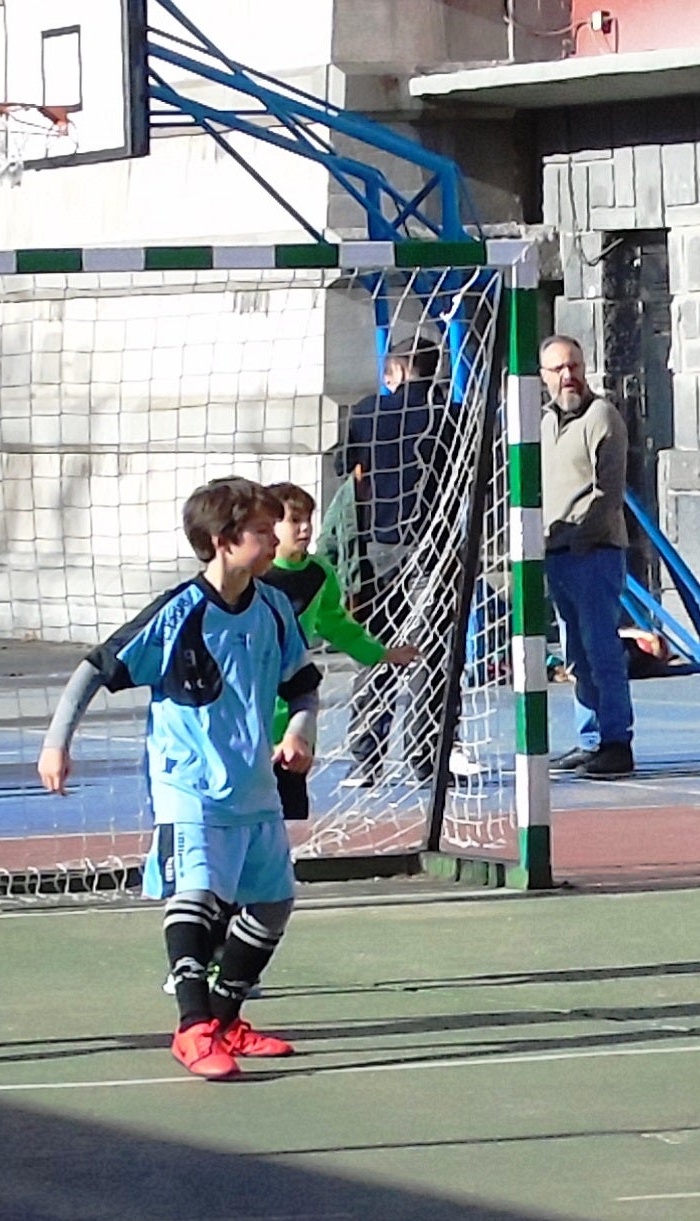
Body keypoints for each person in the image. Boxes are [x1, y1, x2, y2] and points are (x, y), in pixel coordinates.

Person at [39, 477, 321, 1083]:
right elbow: (95, 668)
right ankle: (192, 1027)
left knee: (272, 903)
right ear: (222, 542)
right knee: (195, 892)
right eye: (261, 530)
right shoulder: (178, 613)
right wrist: (56, 742)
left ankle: (224, 1019)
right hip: (187, 782)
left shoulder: (273, 607)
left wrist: (301, 732)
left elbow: (303, 684)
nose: (275, 538)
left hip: (252, 783)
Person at [259, 482, 416, 823]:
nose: (304, 528)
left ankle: (280, 870)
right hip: (250, 710)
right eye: (294, 520)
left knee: (287, 808)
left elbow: (337, 624)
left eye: (308, 519)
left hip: (292, 709)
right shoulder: (255, 576)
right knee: (245, 807)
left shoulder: (320, 572)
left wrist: (381, 653)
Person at [337, 337, 451, 785]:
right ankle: (426, 757)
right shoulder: (453, 416)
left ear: (398, 370)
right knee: (430, 655)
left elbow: (345, 466)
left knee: (376, 650)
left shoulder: (367, 412)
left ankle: (366, 758)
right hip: (435, 546)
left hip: (381, 545)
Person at [538, 335, 638, 778]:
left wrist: (582, 539)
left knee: (602, 650)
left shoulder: (603, 417)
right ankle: (590, 737)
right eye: (558, 369)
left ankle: (618, 742)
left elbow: (609, 491)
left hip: (594, 553)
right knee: (575, 653)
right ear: (543, 377)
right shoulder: (540, 423)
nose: (568, 376)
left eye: (574, 366)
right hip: (555, 553)